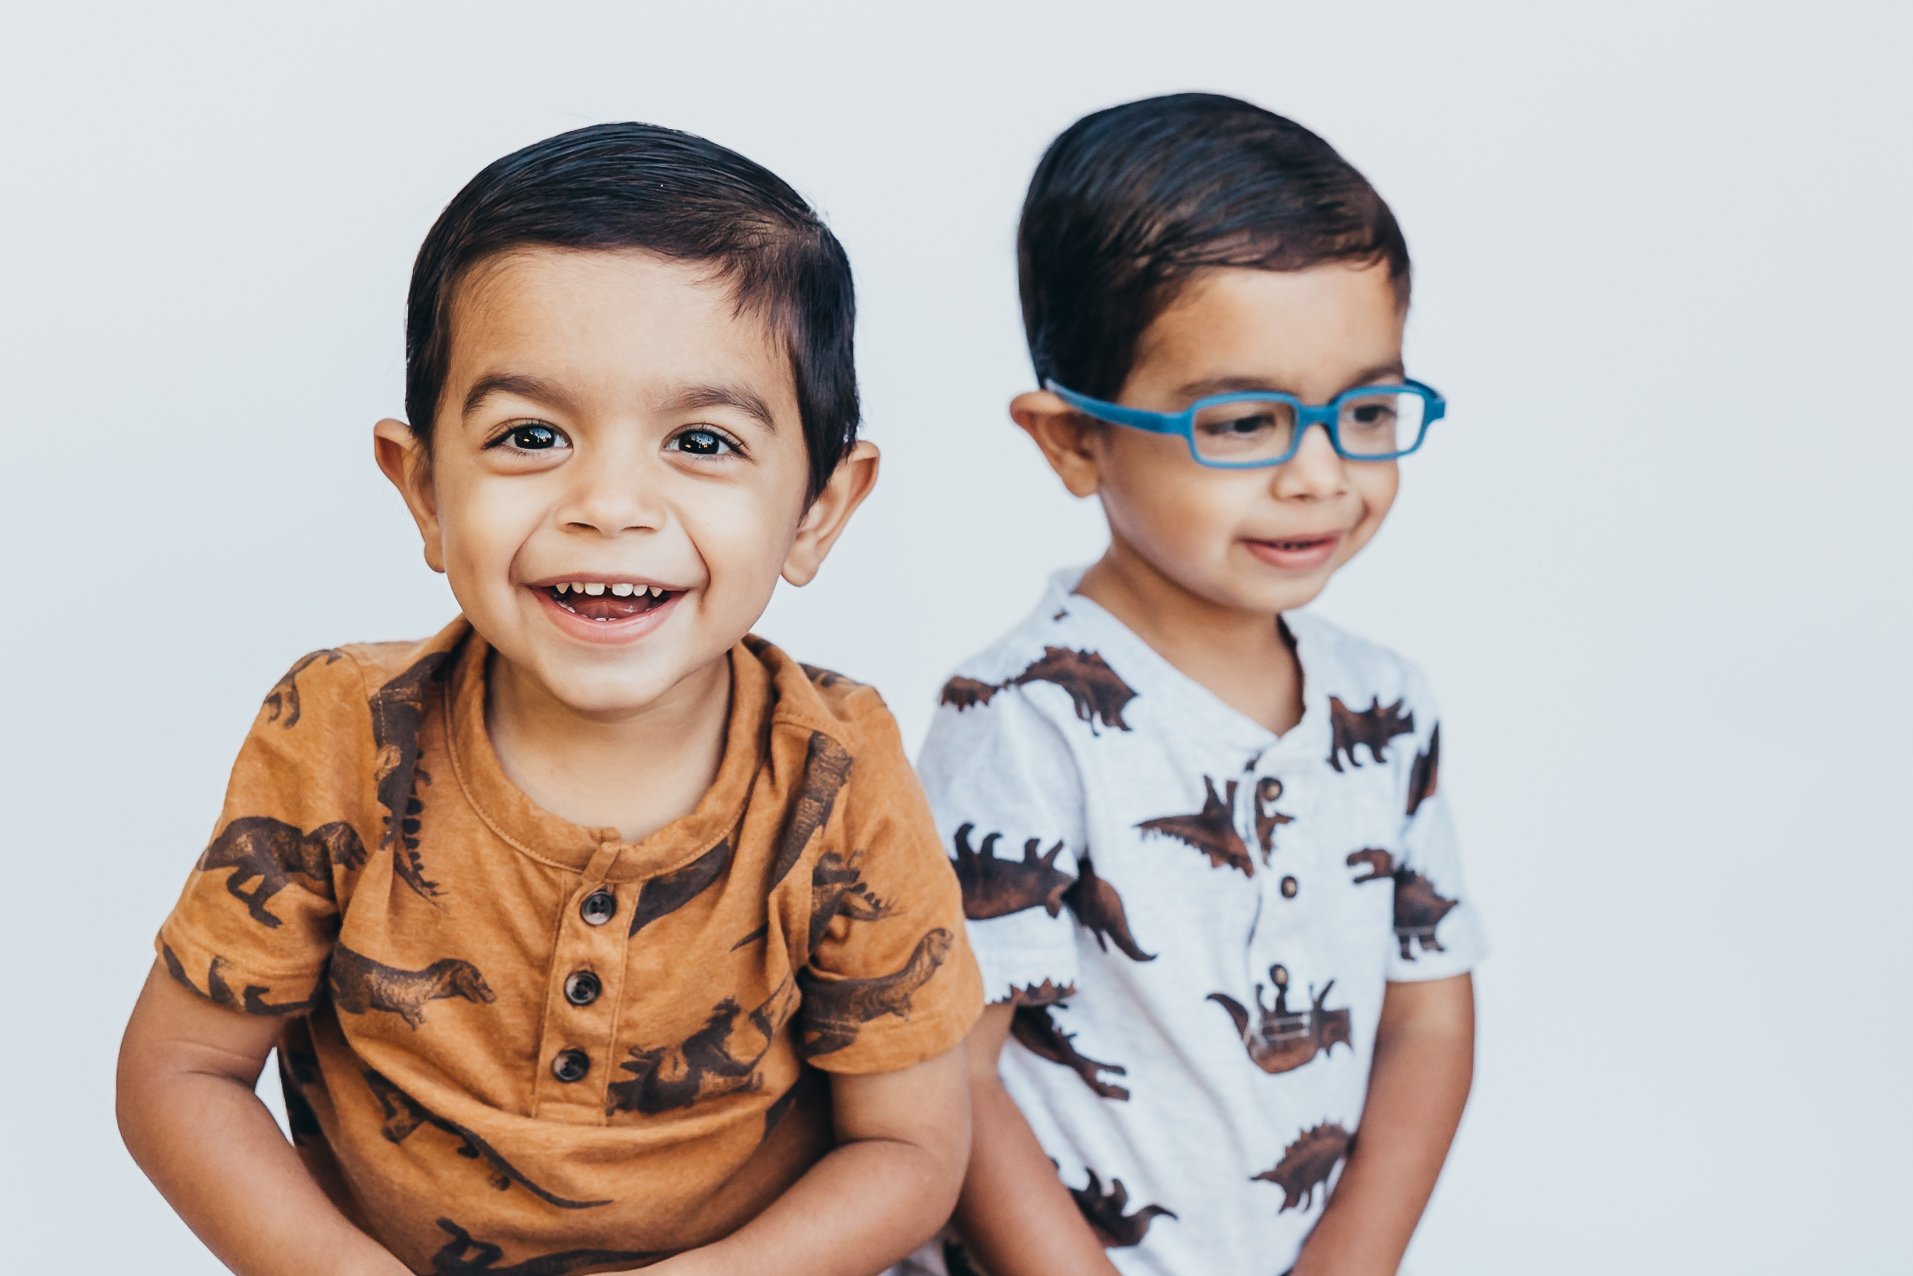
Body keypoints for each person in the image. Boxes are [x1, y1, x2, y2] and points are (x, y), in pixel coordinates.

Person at [117, 121, 982, 1276]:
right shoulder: (336, 728)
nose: (610, 503)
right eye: (532, 435)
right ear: (423, 487)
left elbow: (911, 1148)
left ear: (819, 506)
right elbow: (179, 1074)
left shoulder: (839, 767)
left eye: (701, 439)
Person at [915, 93, 1486, 1276]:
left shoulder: (1386, 705)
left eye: (1366, 409)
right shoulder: (1019, 712)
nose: (1320, 475)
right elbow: (951, 1068)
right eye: (1242, 423)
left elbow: (1427, 1011)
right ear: (1073, 440)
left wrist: (1349, 1260)